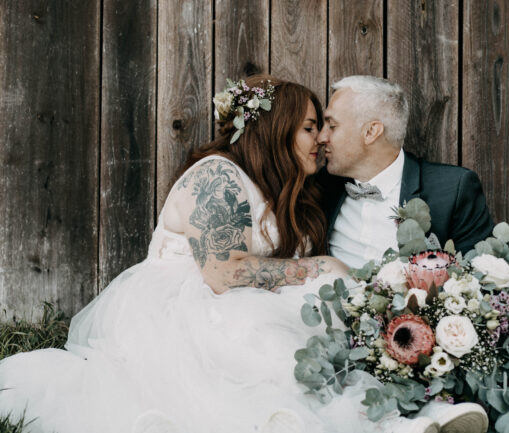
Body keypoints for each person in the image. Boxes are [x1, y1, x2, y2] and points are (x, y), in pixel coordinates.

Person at [0, 75, 440, 433]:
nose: (320, 138)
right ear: (276, 128)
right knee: (265, 354)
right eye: (309, 127)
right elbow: (222, 274)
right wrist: (321, 266)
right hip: (182, 312)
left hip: (245, 308)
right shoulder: (217, 176)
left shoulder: (290, 193)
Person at [317, 75, 494, 433]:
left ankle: (428, 409)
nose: (322, 137)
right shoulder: (317, 189)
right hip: (335, 344)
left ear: (371, 131)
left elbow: (484, 287)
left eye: (332, 125)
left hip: (419, 351)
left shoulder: (452, 188)